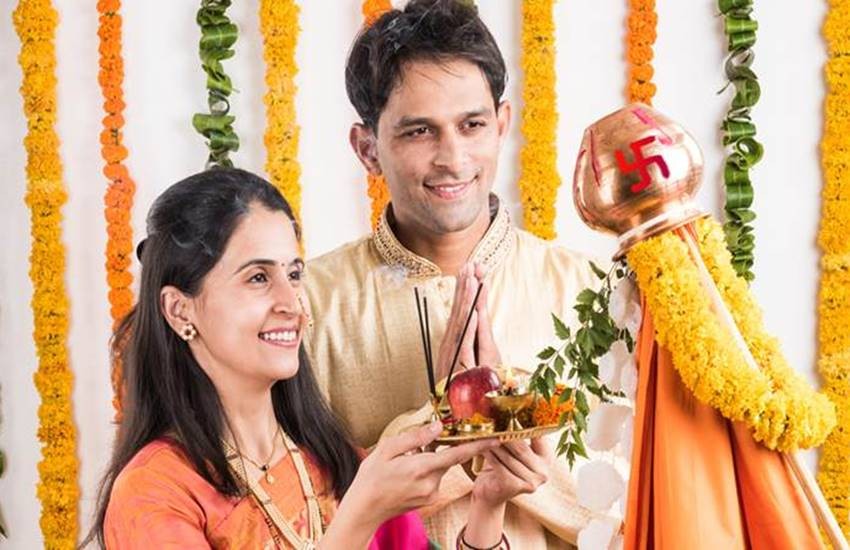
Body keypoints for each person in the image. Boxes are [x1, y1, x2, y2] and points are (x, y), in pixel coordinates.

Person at [84, 168, 546, 549]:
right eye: (258, 278)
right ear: (179, 310)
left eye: (294, 274)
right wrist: (358, 519)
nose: (292, 303)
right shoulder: (155, 493)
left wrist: (488, 506)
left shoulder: (332, 461)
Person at [304, 0, 601, 547]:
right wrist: (444, 418)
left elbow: (631, 499)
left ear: (502, 125)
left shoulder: (589, 292)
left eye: (472, 125)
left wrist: (505, 424)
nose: (453, 157)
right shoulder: (308, 308)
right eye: (419, 131)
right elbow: (290, 510)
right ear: (367, 150)